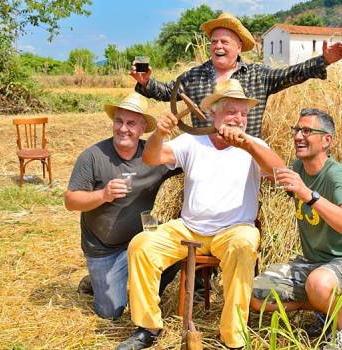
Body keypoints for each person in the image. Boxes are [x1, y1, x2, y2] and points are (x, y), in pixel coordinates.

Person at [116, 79, 285, 350]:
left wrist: (249, 146)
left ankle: (233, 337)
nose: (239, 119)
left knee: (244, 244)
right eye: (231, 111)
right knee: (142, 245)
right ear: (213, 113)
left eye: (243, 113)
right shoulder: (192, 141)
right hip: (188, 228)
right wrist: (159, 133)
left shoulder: (255, 145)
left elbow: (279, 174)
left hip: (234, 229)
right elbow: (151, 158)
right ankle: (148, 327)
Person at [250, 108, 342, 350]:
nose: (298, 136)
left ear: (326, 140)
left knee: (319, 283)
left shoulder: (337, 176)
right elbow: (275, 171)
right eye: (296, 130)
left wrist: (308, 195)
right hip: (315, 265)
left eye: (307, 131)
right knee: (258, 295)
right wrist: (246, 142)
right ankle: (326, 308)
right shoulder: (298, 168)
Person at [130, 12, 342, 138]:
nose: (218, 46)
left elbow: (292, 74)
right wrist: (147, 82)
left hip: (245, 156)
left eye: (225, 42)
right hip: (204, 156)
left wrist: (323, 60)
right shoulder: (194, 76)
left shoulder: (257, 75)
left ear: (239, 46)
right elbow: (168, 92)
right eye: (214, 42)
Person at [64, 92, 181, 319]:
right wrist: (103, 194)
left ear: (142, 128)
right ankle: (97, 281)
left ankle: (141, 292)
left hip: (140, 239)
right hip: (103, 246)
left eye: (131, 123)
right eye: (118, 121)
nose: (123, 129)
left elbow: (192, 159)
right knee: (112, 313)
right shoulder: (93, 156)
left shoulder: (153, 155)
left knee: (178, 252)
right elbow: (70, 200)